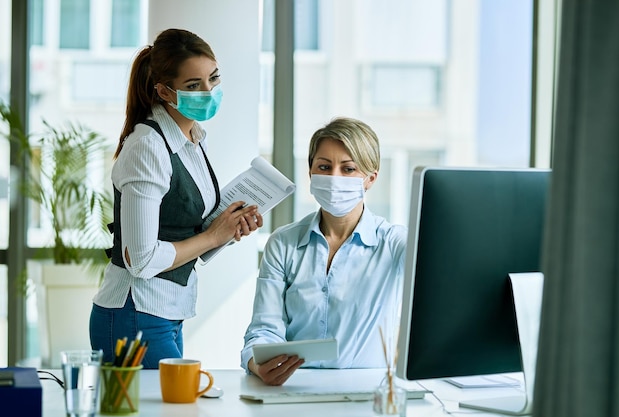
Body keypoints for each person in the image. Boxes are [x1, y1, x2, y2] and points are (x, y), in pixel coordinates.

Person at [90, 28, 262, 369]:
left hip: (168, 311)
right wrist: (212, 236)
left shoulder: (194, 137)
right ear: (165, 91)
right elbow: (140, 259)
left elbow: (183, 229)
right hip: (135, 312)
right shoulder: (148, 147)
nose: (209, 92)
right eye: (194, 85)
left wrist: (227, 228)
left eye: (213, 79)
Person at [240, 117, 407, 385]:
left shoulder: (394, 242)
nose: (334, 178)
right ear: (310, 173)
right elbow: (263, 329)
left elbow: (437, 270)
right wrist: (257, 365)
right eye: (324, 167)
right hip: (294, 389)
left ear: (370, 179)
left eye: (349, 169)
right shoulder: (283, 242)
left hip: (366, 393)